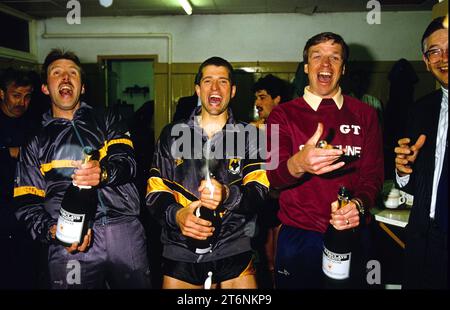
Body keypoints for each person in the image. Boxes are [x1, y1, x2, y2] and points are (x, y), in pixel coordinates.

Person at [14, 49, 151, 289]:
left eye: (72, 73)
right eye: (57, 73)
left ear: (83, 87)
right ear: (46, 88)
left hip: (123, 232)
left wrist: (103, 173)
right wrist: (52, 230)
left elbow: (128, 163)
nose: (65, 78)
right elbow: (26, 203)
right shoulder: (35, 141)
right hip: (70, 241)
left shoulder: (108, 119)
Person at [266, 32, 384, 289]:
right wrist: (298, 164)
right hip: (299, 235)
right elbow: (273, 177)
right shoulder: (282, 114)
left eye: (334, 58)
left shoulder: (365, 114)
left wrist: (358, 205)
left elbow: (373, 177)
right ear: (306, 67)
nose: (325, 64)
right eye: (317, 56)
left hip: (352, 232)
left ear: (343, 68)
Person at [146, 56, 269, 289]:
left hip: (234, 248)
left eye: (222, 81)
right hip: (180, 251)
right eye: (208, 81)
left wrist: (227, 196)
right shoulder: (172, 134)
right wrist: (177, 215)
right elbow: (155, 192)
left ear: (232, 91)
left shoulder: (250, 136)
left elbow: (260, 192)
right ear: (197, 89)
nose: (214, 88)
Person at [394, 16, 448, 289]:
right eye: (435, 51)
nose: (444, 58)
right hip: (421, 241)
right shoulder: (421, 109)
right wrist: (403, 171)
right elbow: (417, 183)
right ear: (426, 61)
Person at [0, 68, 42, 289]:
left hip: (24, 213)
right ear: (1, 94)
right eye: (16, 95)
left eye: (27, 97)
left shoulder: (33, 125)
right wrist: (10, 152)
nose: (21, 102)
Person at [250, 74, 287, 288]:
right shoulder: (253, 128)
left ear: (278, 99)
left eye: (262, 97)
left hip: (285, 201)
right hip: (264, 201)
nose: (257, 103)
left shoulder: (287, 126)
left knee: (281, 260)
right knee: (268, 262)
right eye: (256, 98)